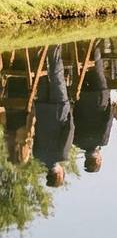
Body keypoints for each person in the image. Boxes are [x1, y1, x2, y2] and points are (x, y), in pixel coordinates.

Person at [32, 45, 73, 187]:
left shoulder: (62, 154)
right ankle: (37, 50)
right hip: (42, 110)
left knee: (57, 78)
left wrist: (70, 110)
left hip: (59, 110)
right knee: (42, 78)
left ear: (60, 174)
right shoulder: (37, 155)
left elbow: (69, 130)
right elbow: (35, 135)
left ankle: (54, 48)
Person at [72, 43, 113, 173]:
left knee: (98, 70)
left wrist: (110, 103)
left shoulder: (102, 140)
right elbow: (73, 120)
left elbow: (108, 120)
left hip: (99, 99)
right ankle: (78, 48)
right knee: (80, 72)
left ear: (98, 160)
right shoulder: (76, 141)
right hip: (82, 100)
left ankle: (95, 47)